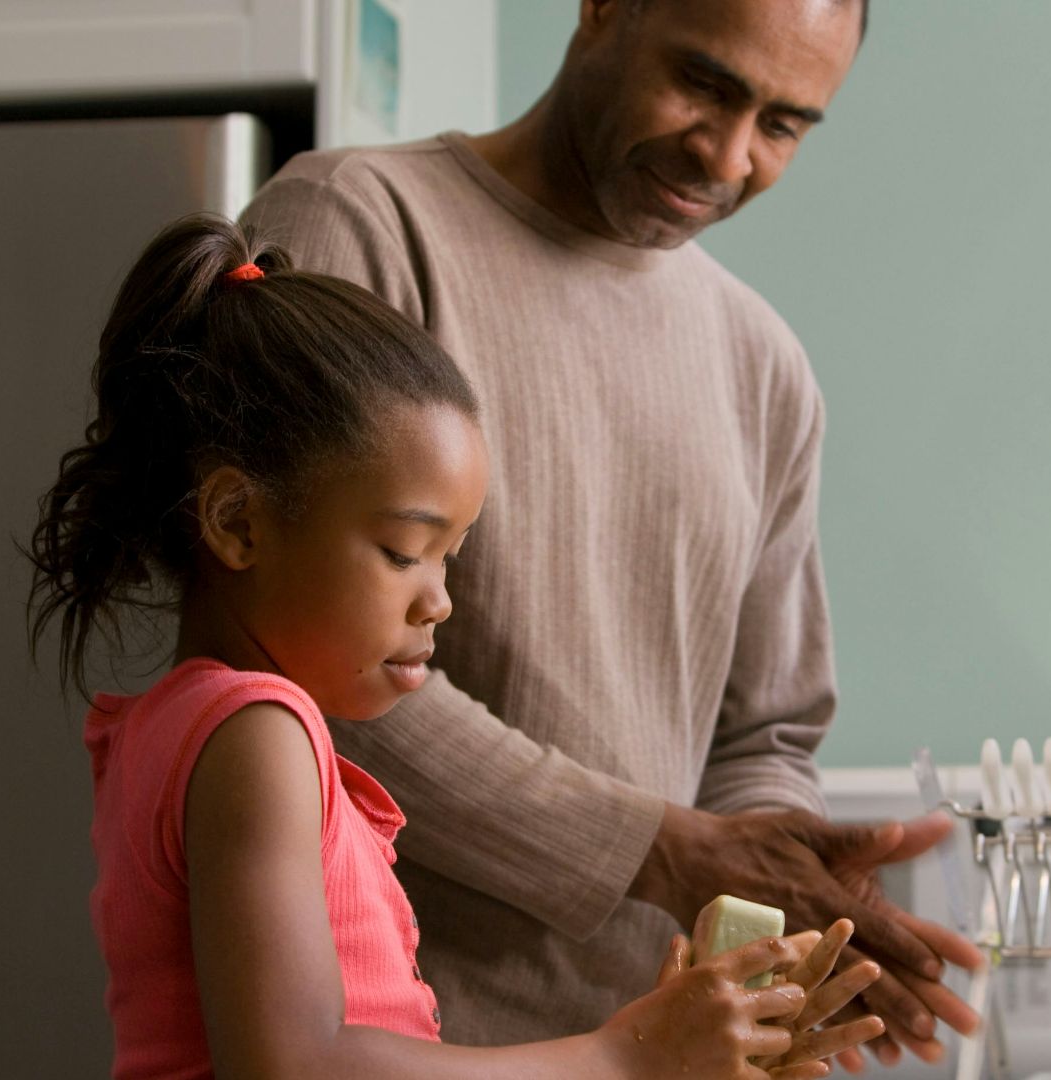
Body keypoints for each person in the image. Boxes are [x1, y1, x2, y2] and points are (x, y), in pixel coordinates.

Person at [240, 0, 981, 1068]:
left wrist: (783, 892)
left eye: (784, 124)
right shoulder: (357, 224)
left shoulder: (761, 365)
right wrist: (661, 852)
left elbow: (763, 734)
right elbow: (293, 656)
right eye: (706, 84)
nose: (728, 155)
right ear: (602, 11)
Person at [26, 214, 884, 1079]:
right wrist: (625, 1055)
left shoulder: (187, 726)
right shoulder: (256, 732)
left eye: (450, 557)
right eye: (404, 551)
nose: (439, 601)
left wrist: (663, 1050)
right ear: (238, 521)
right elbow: (297, 1063)